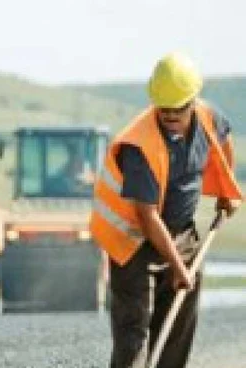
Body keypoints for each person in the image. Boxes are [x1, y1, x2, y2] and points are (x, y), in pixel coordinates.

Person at [90, 52, 242, 367]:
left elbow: (224, 141)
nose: (171, 115)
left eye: (179, 109)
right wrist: (178, 266)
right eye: (164, 109)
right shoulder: (139, 146)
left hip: (182, 232)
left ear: (193, 101)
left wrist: (227, 192)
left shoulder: (209, 118)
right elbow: (147, 217)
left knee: (176, 327)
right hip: (131, 243)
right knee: (134, 334)